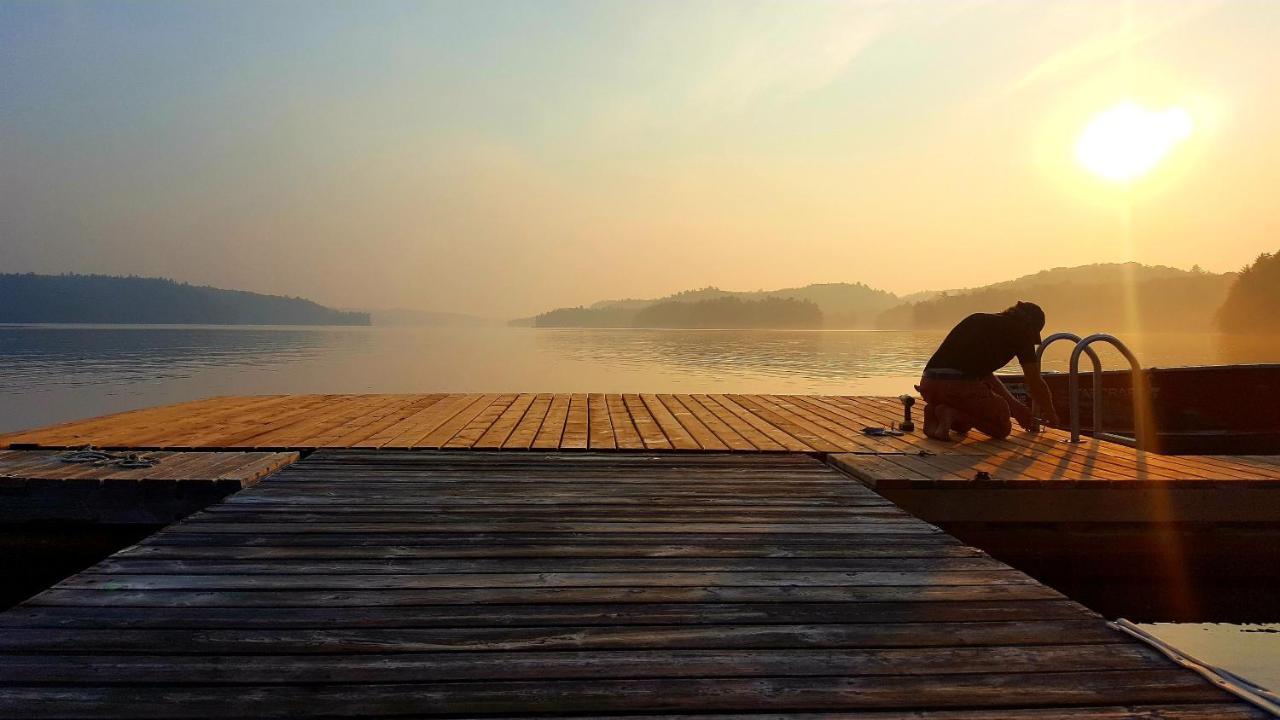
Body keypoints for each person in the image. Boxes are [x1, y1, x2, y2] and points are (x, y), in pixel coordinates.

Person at [917, 301, 1060, 441]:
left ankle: (934, 413)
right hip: (957, 386)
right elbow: (1034, 381)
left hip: (928, 384)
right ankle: (951, 413)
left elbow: (984, 373)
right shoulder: (1021, 333)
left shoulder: (977, 319)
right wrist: (1051, 414)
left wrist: (1015, 405)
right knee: (1002, 427)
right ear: (1030, 327)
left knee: (963, 426)